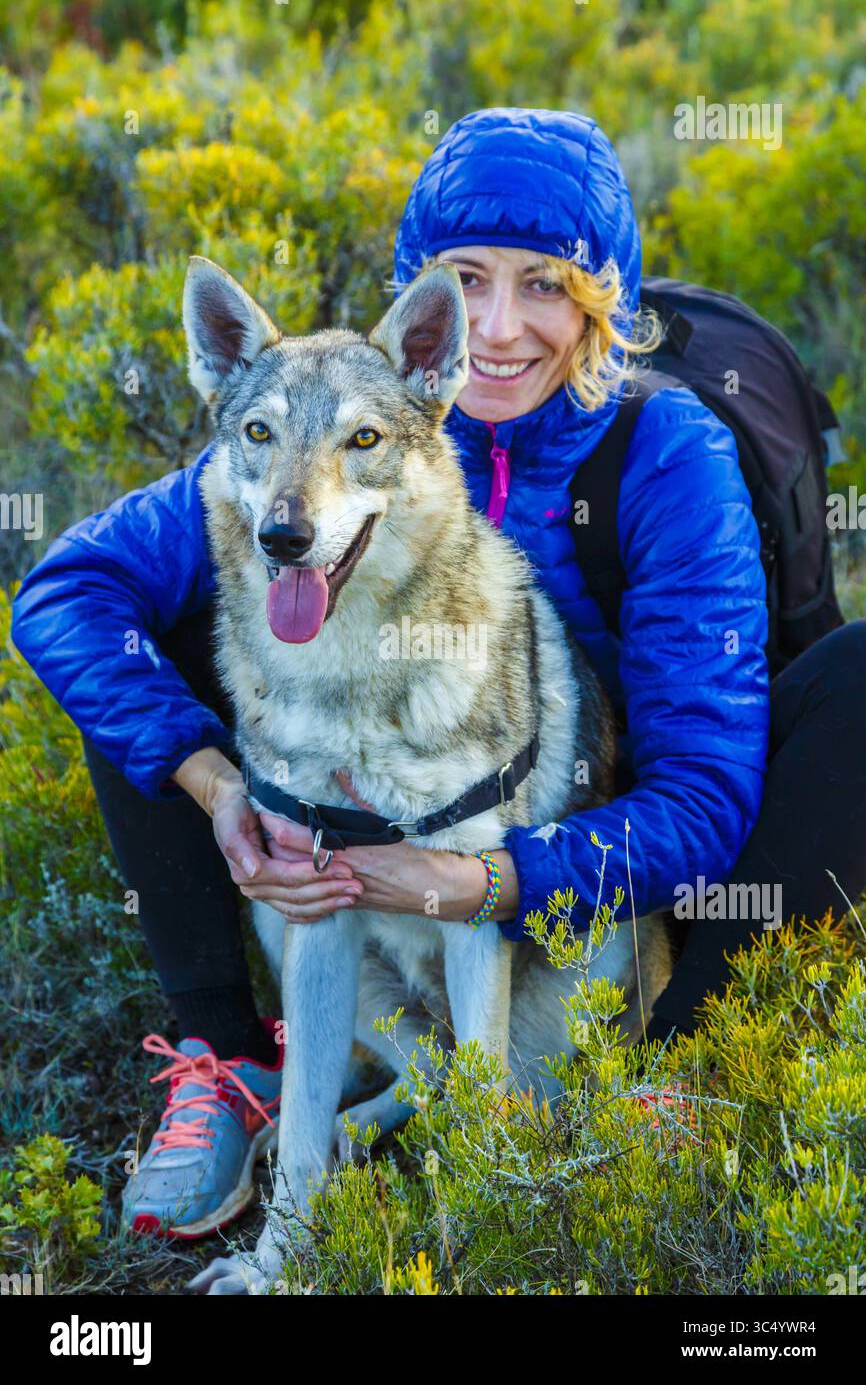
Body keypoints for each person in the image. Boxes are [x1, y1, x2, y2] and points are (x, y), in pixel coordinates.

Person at [11, 107, 866, 1240]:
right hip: (365, 867)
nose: (499, 328)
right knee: (147, 643)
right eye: (465, 280)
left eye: (545, 285)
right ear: (422, 309)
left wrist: (490, 880)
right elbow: (62, 590)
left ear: (598, 299)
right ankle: (224, 1058)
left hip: (622, 861)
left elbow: (702, 799)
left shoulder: (663, 455)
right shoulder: (336, 420)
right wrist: (218, 787)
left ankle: (678, 1067)